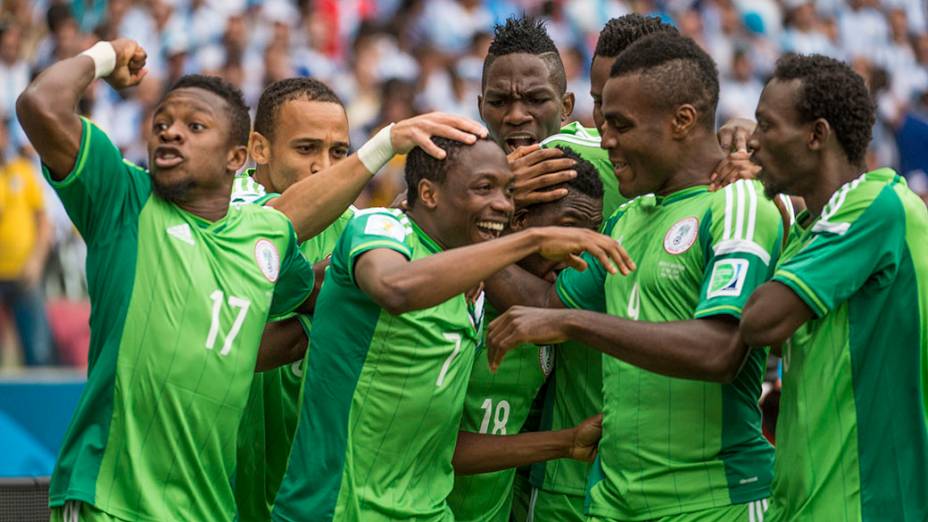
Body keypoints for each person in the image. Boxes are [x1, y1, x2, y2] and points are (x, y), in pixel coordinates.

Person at [485, 33, 783, 521]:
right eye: (604, 120)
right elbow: (546, 306)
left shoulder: (738, 202)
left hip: (712, 501)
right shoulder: (628, 219)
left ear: (682, 120)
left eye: (621, 125)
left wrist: (576, 326)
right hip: (612, 501)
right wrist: (470, 219)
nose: (606, 140)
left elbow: (720, 350)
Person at [16, 39, 316, 521]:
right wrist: (106, 54)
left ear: (236, 157)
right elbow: (40, 105)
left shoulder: (270, 233)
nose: (171, 134)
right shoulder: (122, 198)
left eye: (194, 127)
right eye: (162, 125)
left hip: (210, 509)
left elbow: (313, 299)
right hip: (108, 502)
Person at [272, 136, 631, 522]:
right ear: (428, 193)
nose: (503, 205)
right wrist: (532, 239)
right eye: (484, 188)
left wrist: (564, 442)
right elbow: (394, 287)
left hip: (428, 512)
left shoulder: (470, 292)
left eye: (509, 191)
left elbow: (442, 446)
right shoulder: (383, 227)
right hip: (336, 509)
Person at [231, 76, 497, 521]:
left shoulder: (359, 224)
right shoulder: (233, 207)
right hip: (226, 465)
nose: (324, 166)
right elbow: (262, 249)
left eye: (338, 151)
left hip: (310, 477)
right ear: (259, 149)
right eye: (305, 149)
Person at [740, 53, 928, 521]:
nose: (752, 143)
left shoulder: (876, 206)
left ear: (817, 134)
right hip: (808, 500)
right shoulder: (811, 227)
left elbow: (759, 322)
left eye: (766, 126)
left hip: (869, 504)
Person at [446, 146, 604, 522]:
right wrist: (564, 443)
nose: (578, 252)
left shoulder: (553, 319)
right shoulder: (453, 297)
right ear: (517, 221)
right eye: (566, 231)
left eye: (591, 236)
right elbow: (437, 447)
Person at [0, 116, 54, 366]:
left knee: (38, 350)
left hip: (24, 275)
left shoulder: (23, 171)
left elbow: (44, 222)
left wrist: (35, 262)